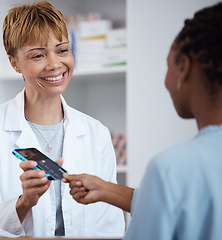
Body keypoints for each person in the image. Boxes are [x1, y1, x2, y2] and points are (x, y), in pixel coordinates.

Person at [0, 1, 125, 238]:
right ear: (14, 62)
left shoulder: (95, 132)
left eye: (62, 50)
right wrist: (24, 202)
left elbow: (110, 225)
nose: (55, 64)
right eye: (38, 55)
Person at [63, 2, 222, 240]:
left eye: (168, 67)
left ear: (184, 68)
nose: (165, 82)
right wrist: (106, 189)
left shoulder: (171, 169)